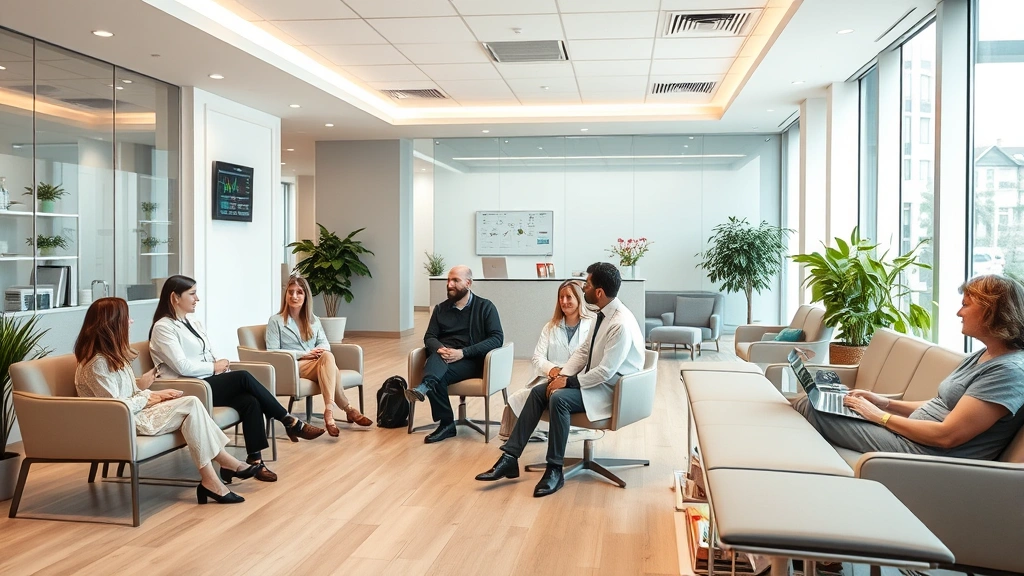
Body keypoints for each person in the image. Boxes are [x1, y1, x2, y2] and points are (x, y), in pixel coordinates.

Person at [796, 274, 1024, 459]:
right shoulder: (984, 355)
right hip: (912, 436)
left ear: (990, 311)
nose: (959, 312)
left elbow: (947, 437)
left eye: (965, 305)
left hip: (927, 453)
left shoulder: (1009, 372)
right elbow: (946, 404)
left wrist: (880, 416)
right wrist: (883, 403)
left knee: (813, 409)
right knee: (820, 401)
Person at [476, 262, 646, 497]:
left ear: (598, 292)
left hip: (612, 390)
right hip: (595, 382)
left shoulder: (620, 323)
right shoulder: (602, 314)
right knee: (539, 392)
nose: (583, 288)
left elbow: (606, 372)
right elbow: (583, 352)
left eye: (586, 284)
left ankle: (554, 470)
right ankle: (509, 458)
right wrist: (563, 375)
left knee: (560, 400)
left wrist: (568, 383)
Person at [75, 297, 261, 504]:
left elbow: (128, 395)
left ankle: (213, 478)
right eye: (127, 318)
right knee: (191, 404)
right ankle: (222, 466)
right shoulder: (98, 364)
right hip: (121, 423)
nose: (131, 322)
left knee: (191, 405)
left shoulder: (112, 357)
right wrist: (150, 397)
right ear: (112, 323)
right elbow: (114, 408)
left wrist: (148, 392)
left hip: (133, 414)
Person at [149, 274, 324, 483]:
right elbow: (182, 366)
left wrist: (218, 364)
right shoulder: (163, 328)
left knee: (249, 401)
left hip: (207, 380)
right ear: (175, 298)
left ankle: (256, 460)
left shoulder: (192, 322)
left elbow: (208, 353)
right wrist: (214, 367)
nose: (197, 299)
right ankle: (288, 420)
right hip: (190, 387)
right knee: (243, 377)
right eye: (192, 294)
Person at [405, 265, 503, 444]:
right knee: (436, 361)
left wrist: (463, 352)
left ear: (469, 283)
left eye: (455, 280)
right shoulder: (441, 309)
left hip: (471, 361)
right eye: (448, 280)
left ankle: (425, 390)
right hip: (444, 358)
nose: (450, 284)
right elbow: (430, 336)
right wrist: (440, 348)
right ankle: (447, 423)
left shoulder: (485, 307)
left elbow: (497, 339)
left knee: (433, 370)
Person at [266, 275, 372, 436]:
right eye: (291, 292)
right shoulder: (276, 321)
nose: (294, 296)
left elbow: (325, 344)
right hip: (293, 366)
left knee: (327, 357)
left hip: (317, 363)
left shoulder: (313, 320)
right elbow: (272, 351)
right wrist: (304, 354)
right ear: (286, 295)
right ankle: (346, 409)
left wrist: (318, 352)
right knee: (330, 364)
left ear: (306, 296)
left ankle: (329, 410)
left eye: (299, 292)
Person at [499, 279, 595, 441]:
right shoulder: (550, 326)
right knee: (517, 398)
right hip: (550, 377)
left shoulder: (591, 326)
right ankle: (523, 439)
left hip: (574, 381)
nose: (564, 302)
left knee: (554, 397)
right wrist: (552, 370)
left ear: (579, 299)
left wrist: (566, 376)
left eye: (569, 297)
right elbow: (537, 357)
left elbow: (590, 360)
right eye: (561, 297)